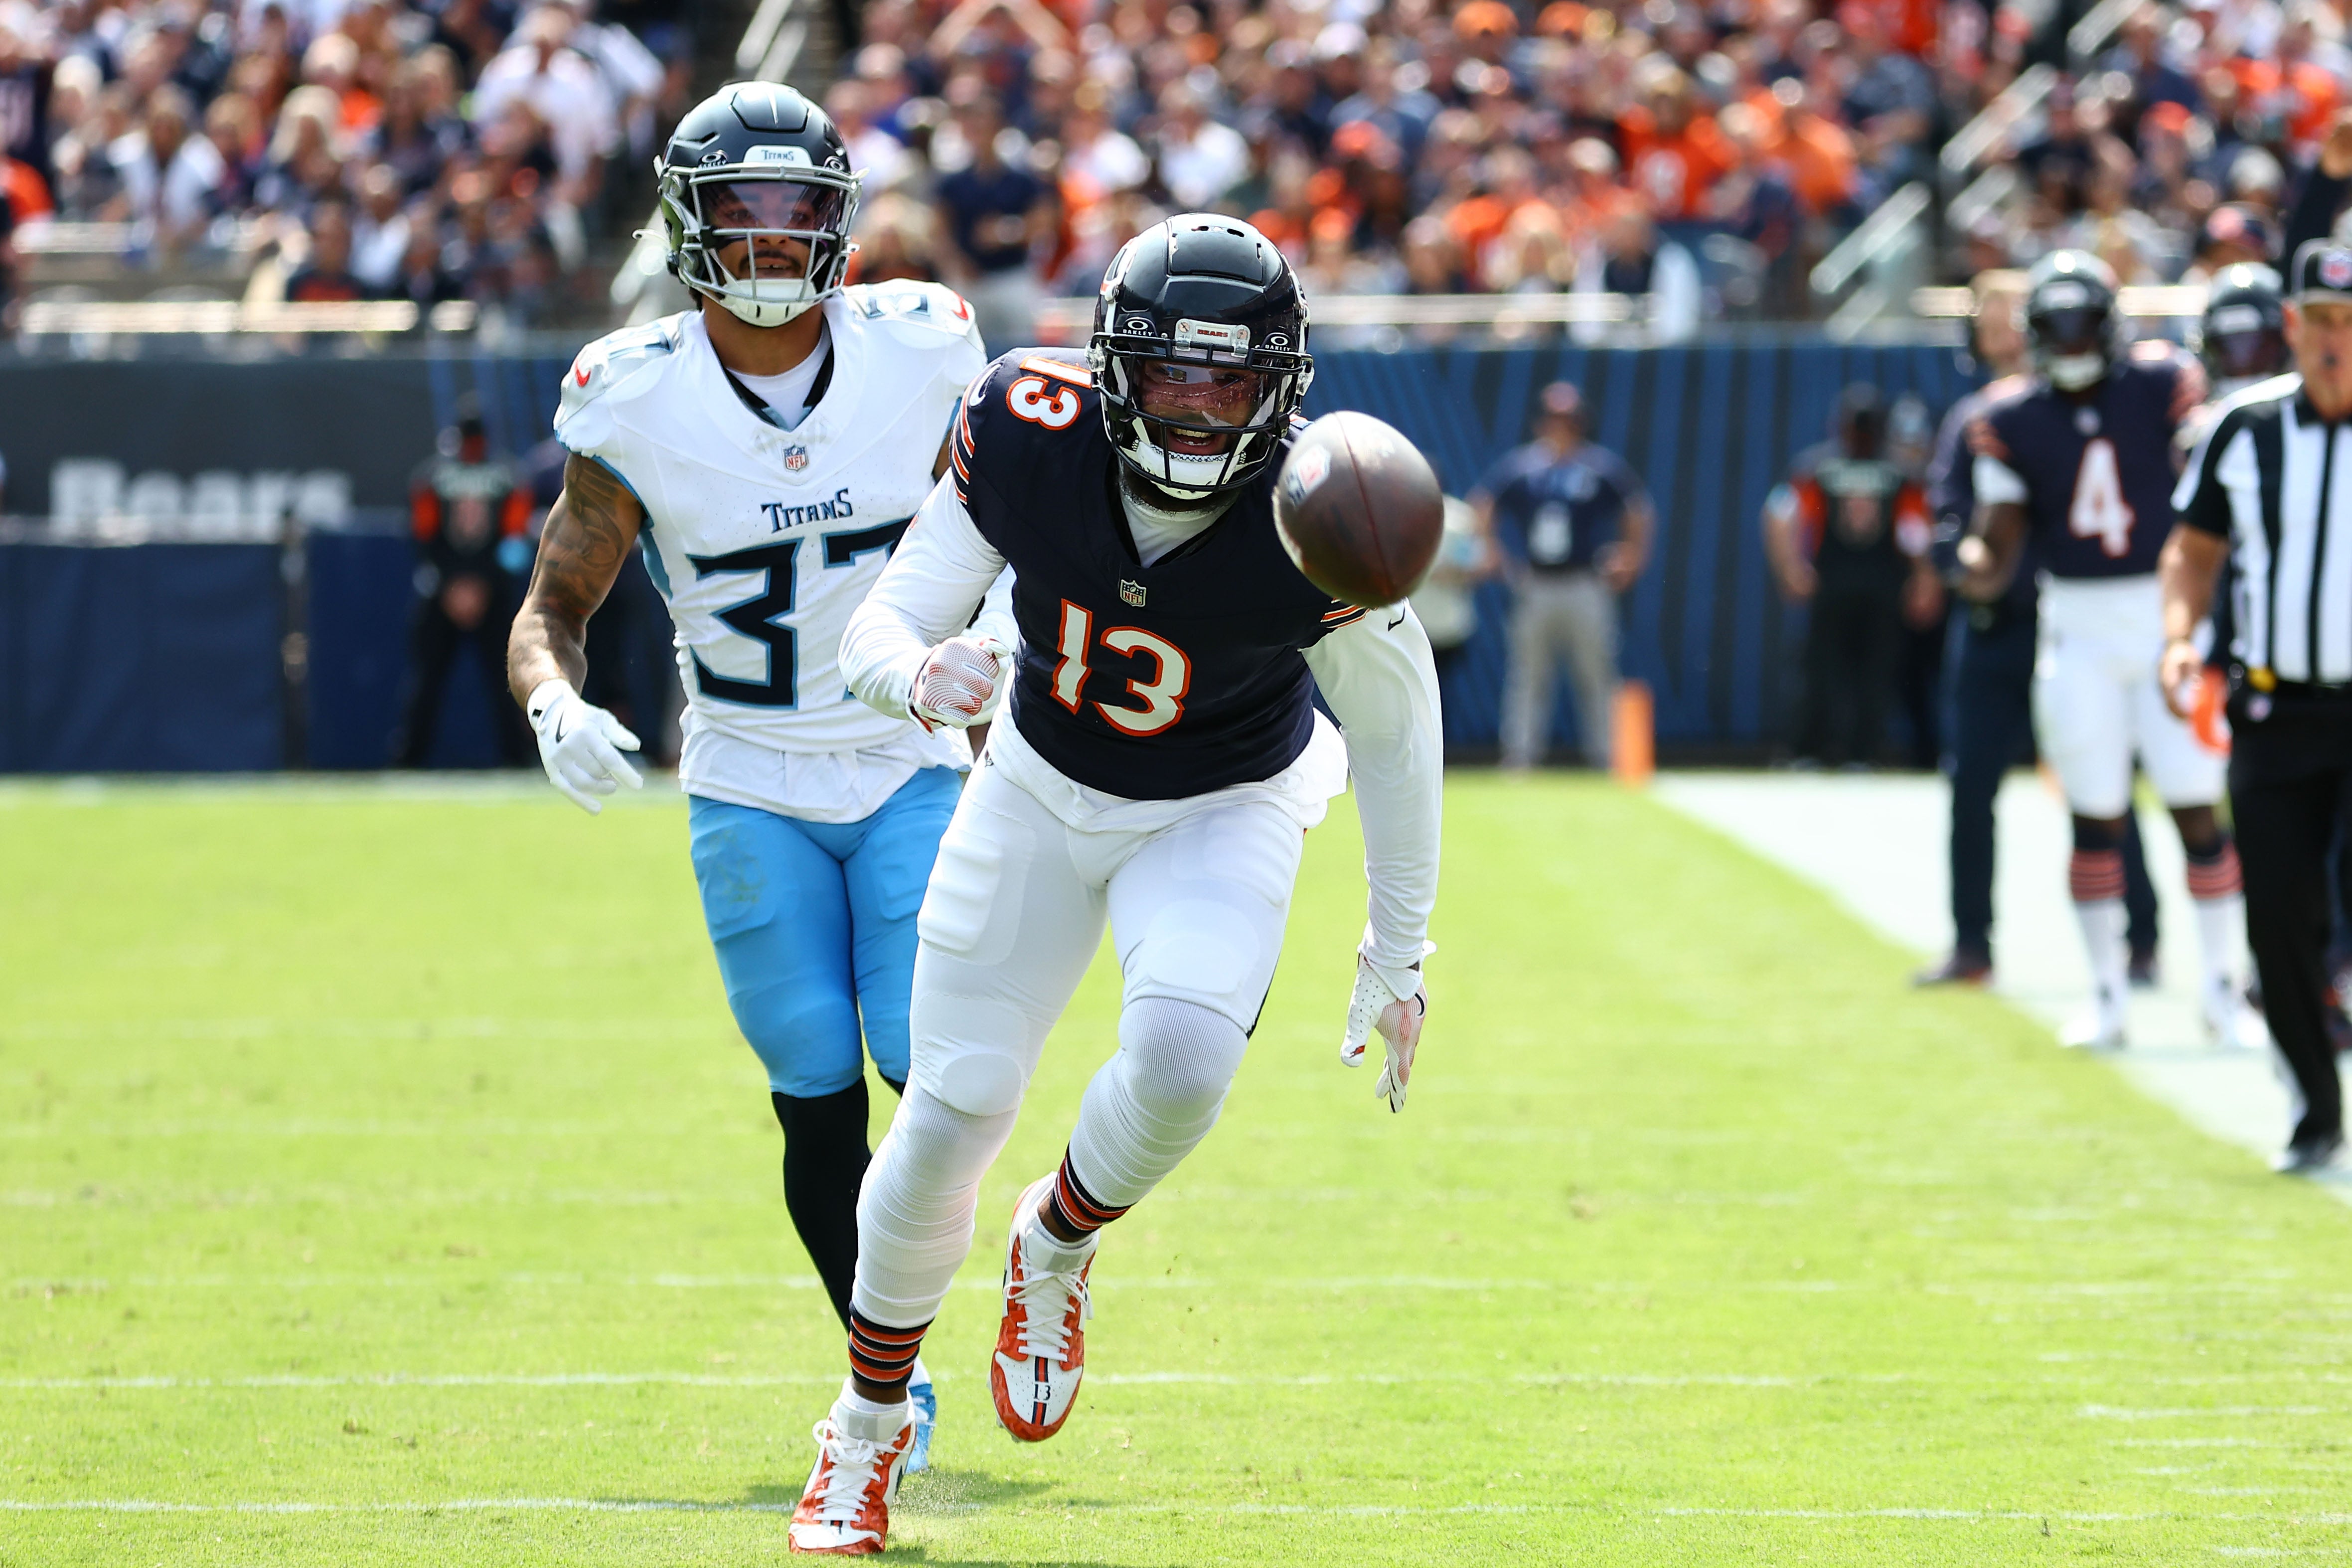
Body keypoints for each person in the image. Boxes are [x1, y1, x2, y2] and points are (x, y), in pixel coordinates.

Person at [787, 215, 1442, 1555]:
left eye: (1228, 378)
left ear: (1281, 385)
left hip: (1222, 799)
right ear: (1108, 366)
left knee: (1189, 1050)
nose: (1199, 405)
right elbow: (885, 614)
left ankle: (1059, 1237)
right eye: (1171, 373)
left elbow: (1395, 726)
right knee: (946, 1111)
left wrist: (1397, 944)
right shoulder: (1026, 426)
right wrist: (910, 677)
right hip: (1032, 780)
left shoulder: (1327, 502)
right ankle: (858, 1440)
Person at [504, 82, 1001, 1476]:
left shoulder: (923, 347)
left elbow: (1019, 516)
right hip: (745, 777)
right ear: (688, 222)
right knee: (809, 1089)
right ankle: (880, 1380)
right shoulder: (634, 392)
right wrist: (555, 704)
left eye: (798, 209)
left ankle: (941, 1311)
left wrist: (1001, 636)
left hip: (906, 754)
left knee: (935, 1069)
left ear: (838, 221)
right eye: (744, 209)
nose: (774, 238)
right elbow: (554, 604)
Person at [1956, 249, 2256, 1051]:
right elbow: (1997, 539)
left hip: (2164, 619)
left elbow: (2212, 481)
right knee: (2094, 816)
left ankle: (2224, 992)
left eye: (2078, 320)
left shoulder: (2162, 385)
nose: (2067, 336)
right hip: (2077, 624)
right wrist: (1972, 565)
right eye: (2051, 323)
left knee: (2198, 808)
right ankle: (2107, 993)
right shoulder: (2010, 418)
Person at [2162, 238, 2352, 1173]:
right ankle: (2313, 1108)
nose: (2334, 343)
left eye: (2350, 325)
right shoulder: (2242, 429)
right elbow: (2191, 552)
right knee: (2275, 914)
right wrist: (2173, 638)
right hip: (2273, 711)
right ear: (2289, 326)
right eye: (2319, 322)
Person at [1916, 272, 2162, 987]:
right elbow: (1948, 516)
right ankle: (1971, 942)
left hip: (2077, 619)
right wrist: (1963, 558)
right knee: (1971, 784)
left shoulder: (2100, 406)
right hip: (1998, 623)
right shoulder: (1979, 418)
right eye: (1988, 315)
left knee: (2104, 777)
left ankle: (2141, 934)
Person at [1473, 381, 1650, 770]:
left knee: (1596, 671)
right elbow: (1484, 504)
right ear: (1540, 421)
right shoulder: (1523, 467)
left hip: (1585, 581)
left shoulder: (1598, 466)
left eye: (1568, 418)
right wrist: (1491, 551)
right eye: (1554, 417)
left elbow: (1636, 509)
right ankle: (1520, 757)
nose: (1561, 425)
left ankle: (1608, 757)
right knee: (1528, 674)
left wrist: (1631, 556)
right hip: (1536, 582)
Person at [1764, 384, 1938, 768]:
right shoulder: (1897, 472)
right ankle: (1854, 752)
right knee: (1861, 672)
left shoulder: (1819, 466)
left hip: (1841, 582)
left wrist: (1791, 566)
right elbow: (1919, 533)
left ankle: (1813, 750)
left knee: (1831, 670)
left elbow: (1777, 515)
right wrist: (1923, 577)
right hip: (1876, 584)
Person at [395, 395, 535, 767]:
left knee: (501, 682)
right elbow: (514, 543)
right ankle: (411, 760)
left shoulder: (436, 477)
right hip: (462, 592)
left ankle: (514, 760)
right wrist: (465, 586)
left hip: (468, 592)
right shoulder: (506, 477)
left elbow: (513, 541)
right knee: (434, 681)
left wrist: (465, 585)